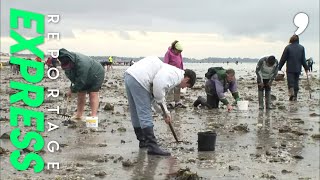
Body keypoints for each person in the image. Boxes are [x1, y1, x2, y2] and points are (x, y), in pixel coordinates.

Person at [124, 56, 196, 156]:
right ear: (187, 79)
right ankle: (152, 147)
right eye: (186, 86)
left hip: (130, 75)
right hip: (140, 79)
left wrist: (164, 114)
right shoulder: (176, 75)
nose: (183, 87)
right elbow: (158, 90)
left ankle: (143, 141)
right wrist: (166, 112)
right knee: (145, 113)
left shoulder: (169, 71)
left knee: (135, 112)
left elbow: (154, 99)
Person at [58, 48, 105, 120]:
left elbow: (81, 81)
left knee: (93, 93)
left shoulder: (82, 63)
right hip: (83, 75)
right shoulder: (66, 65)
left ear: (70, 60)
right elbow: (74, 78)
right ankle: (79, 114)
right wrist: (72, 88)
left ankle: (93, 116)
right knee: (81, 93)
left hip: (96, 73)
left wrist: (72, 90)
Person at [279, 35, 309, 101]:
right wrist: (306, 68)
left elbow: (283, 58)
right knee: (296, 82)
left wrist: (279, 67)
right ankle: (295, 96)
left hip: (290, 68)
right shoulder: (301, 48)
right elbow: (303, 59)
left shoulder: (288, 47)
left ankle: (292, 93)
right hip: (298, 68)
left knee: (290, 82)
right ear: (298, 40)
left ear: (291, 40)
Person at [164, 40, 185, 108]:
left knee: (177, 87)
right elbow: (165, 64)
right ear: (174, 48)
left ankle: (177, 102)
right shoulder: (168, 53)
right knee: (170, 88)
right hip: (170, 73)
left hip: (178, 73)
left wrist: (182, 71)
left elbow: (181, 63)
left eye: (180, 51)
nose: (179, 52)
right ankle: (169, 102)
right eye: (178, 51)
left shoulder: (179, 54)